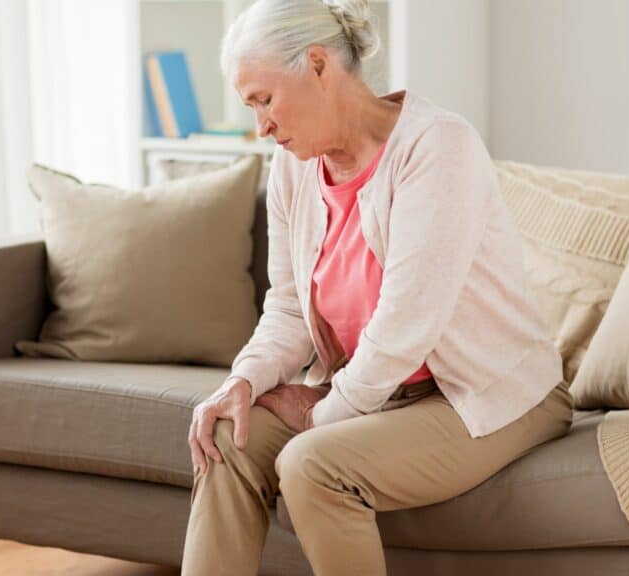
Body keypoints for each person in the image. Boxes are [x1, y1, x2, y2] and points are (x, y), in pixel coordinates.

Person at [181, 1, 573, 575]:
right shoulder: (293, 165)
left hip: (488, 396)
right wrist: (244, 380)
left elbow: (404, 328)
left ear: (318, 66)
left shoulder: (435, 147)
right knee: (225, 434)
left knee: (313, 464)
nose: (260, 126)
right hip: (385, 393)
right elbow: (289, 308)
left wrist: (323, 413)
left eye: (265, 100)